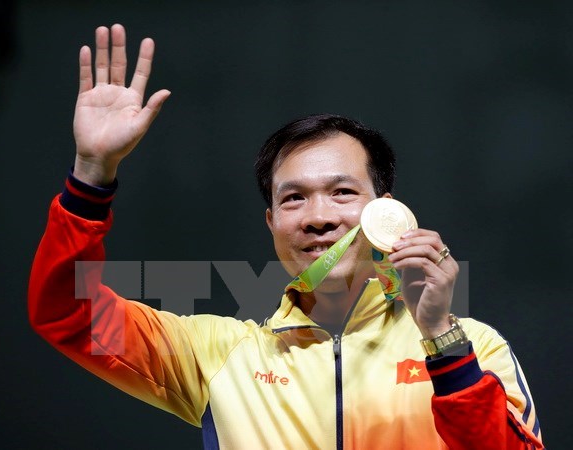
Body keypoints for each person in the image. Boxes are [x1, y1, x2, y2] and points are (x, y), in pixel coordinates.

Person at [28, 24, 544, 449]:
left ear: (386, 214)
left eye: (342, 192)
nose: (317, 217)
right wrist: (91, 173)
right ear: (271, 222)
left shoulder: (472, 347)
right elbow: (68, 314)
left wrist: (440, 338)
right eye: (293, 198)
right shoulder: (216, 355)